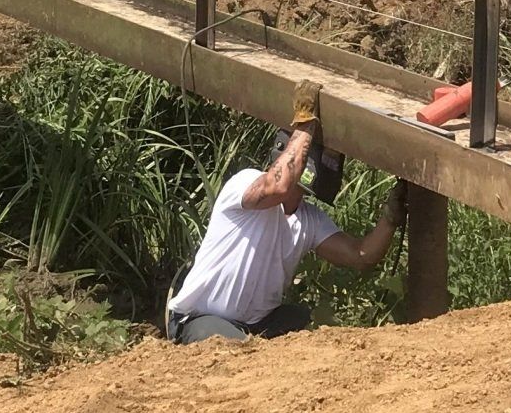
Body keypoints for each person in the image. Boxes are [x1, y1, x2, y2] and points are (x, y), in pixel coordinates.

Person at [165, 83, 407, 343]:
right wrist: (306, 123)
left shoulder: (308, 221)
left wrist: (391, 215)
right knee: (235, 348)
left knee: (305, 331)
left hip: (257, 323)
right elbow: (278, 187)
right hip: (202, 318)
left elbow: (361, 256)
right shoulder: (245, 183)